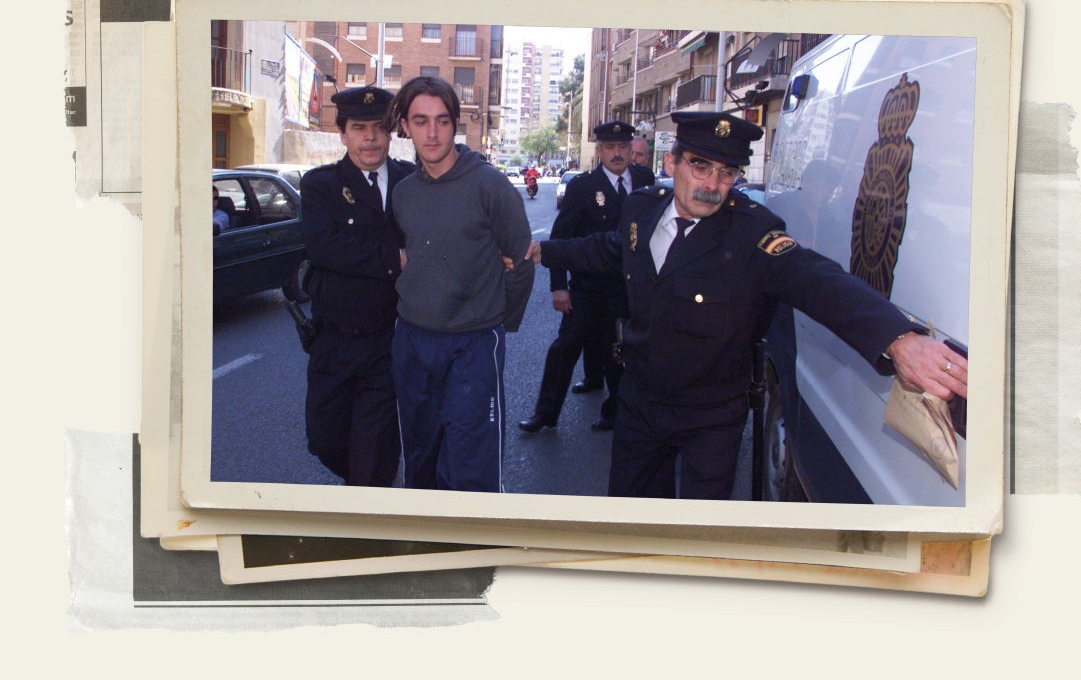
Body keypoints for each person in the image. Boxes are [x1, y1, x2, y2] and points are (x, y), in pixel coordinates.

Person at [531, 111, 969, 500]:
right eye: (700, 166)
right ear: (671, 163)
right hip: (640, 403)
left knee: (699, 540)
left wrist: (898, 339)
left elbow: (817, 280)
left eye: (726, 173)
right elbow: (607, 249)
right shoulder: (642, 210)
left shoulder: (751, 232)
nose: (712, 185)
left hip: (710, 416)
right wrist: (543, 251)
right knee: (634, 521)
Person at [387, 76, 536, 492]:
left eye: (442, 121)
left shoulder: (490, 186)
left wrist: (496, 321)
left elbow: (522, 260)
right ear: (406, 127)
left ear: (455, 124)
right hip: (413, 343)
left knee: (472, 470)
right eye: (420, 121)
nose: (432, 133)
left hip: (473, 344)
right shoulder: (402, 193)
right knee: (421, 461)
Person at [299, 85, 413, 487]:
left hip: (388, 341)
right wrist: (395, 258)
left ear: (391, 132)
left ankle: (369, 504)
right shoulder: (321, 186)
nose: (370, 137)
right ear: (342, 134)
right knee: (325, 441)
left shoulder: (412, 182)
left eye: (379, 127)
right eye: (359, 128)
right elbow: (325, 247)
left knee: (373, 456)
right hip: (334, 341)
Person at [519, 120, 656, 434]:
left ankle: (614, 412)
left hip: (628, 288)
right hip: (588, 287)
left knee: (620, 352)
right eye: (610, 147)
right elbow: (560, 238)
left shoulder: (645, 180)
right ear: (600, 151)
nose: (617, 153)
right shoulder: (583, 187)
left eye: (622, 147)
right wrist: (558, 287)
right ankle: (545, 414)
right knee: (564, 349)